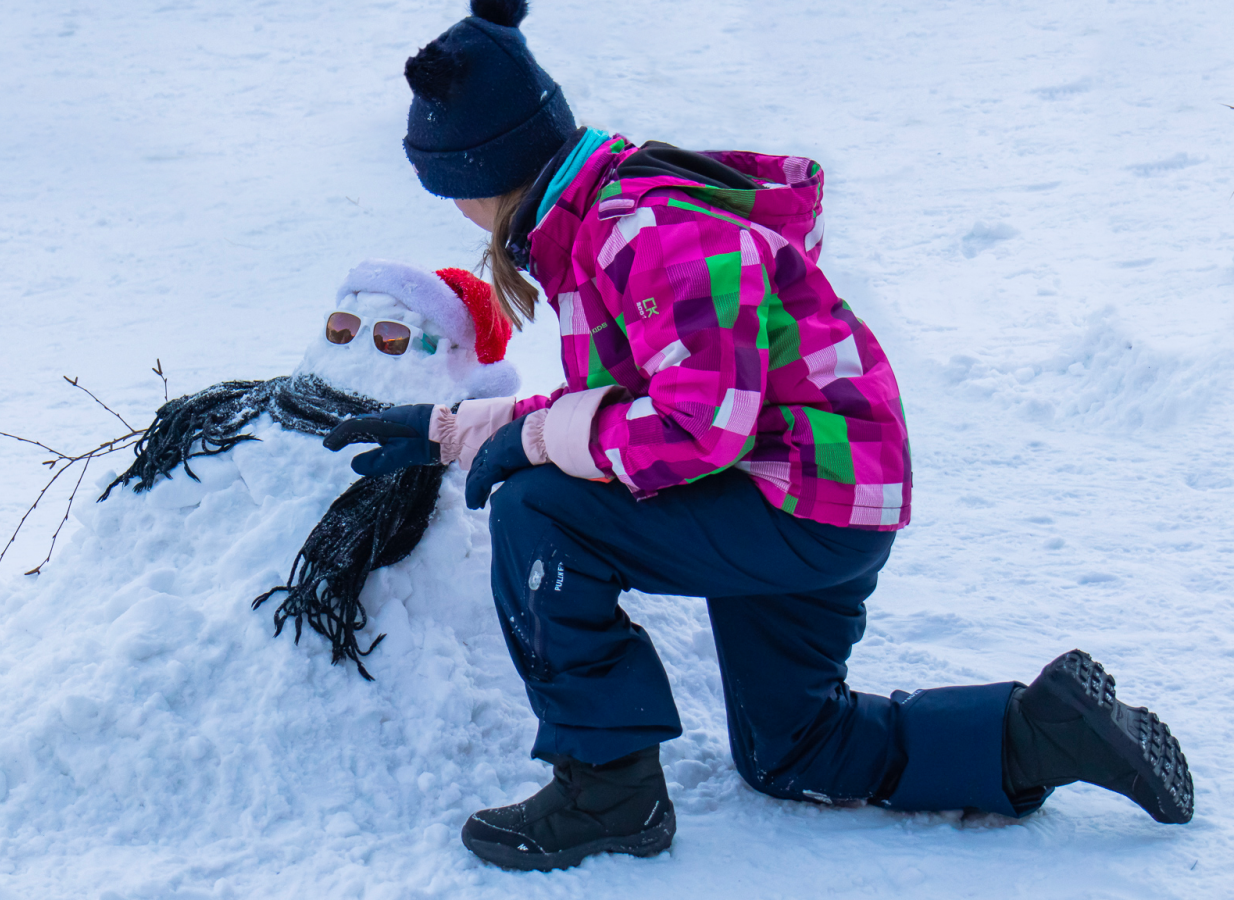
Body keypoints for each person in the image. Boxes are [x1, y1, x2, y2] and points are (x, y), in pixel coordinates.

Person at [324, 0, 1194, 872]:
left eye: (449, 188)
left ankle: (606, 791)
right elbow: (635, 399)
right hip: (812, 491)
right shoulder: (599, 218)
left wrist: (538, 443)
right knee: (795, 751)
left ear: (486, 166)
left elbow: (691, 429)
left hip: (798, 501)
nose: (458, 212)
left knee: (538, 513)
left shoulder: (645, 232)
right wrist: (454, 430)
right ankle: (1043, 733)